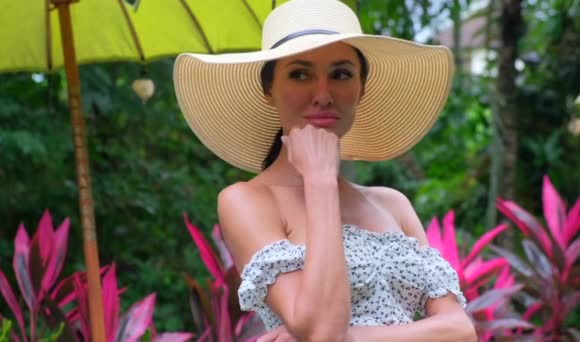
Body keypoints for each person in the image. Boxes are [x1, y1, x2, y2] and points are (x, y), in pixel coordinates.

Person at [173, 0, 476, 341]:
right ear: (268, 89)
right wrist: (319, 179)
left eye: (341, 74)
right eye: (300, 74)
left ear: (360, 89)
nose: (322, 94)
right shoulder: (246, 201)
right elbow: (321, 330)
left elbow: (461, 330)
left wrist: (350, 338)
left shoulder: (392, 203)